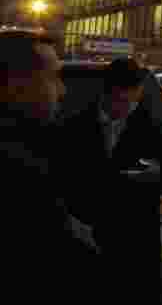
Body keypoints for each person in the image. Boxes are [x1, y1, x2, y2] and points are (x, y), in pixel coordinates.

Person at [57, 57, 162, 305]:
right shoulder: (75, 127)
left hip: (137, 240)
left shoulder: (155, 126)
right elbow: (61, 179)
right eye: (121, 99)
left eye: (135, 99)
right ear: (105, 92)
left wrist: (158, 177)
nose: (128, 107)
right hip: (88, 238)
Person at [0, 31, 100, 301]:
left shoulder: (33, 147)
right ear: (14, 83)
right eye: (53, 77)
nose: (63, 90)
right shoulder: (20, 168)